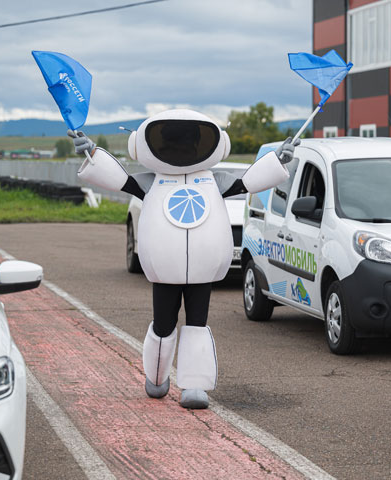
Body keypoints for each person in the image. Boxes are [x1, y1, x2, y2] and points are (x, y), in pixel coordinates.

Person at [69, 109, 298, 409]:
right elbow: (120, 179)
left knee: (196, 324)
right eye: (174, 144)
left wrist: (277, 160)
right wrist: (92, 154)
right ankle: (157, 376)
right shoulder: (153, 181)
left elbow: (248, 180)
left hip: (201, 269)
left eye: (186, 144)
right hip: (166, 268)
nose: (180, 151)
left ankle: (194, 384)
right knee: (166, 324)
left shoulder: (213, 180)